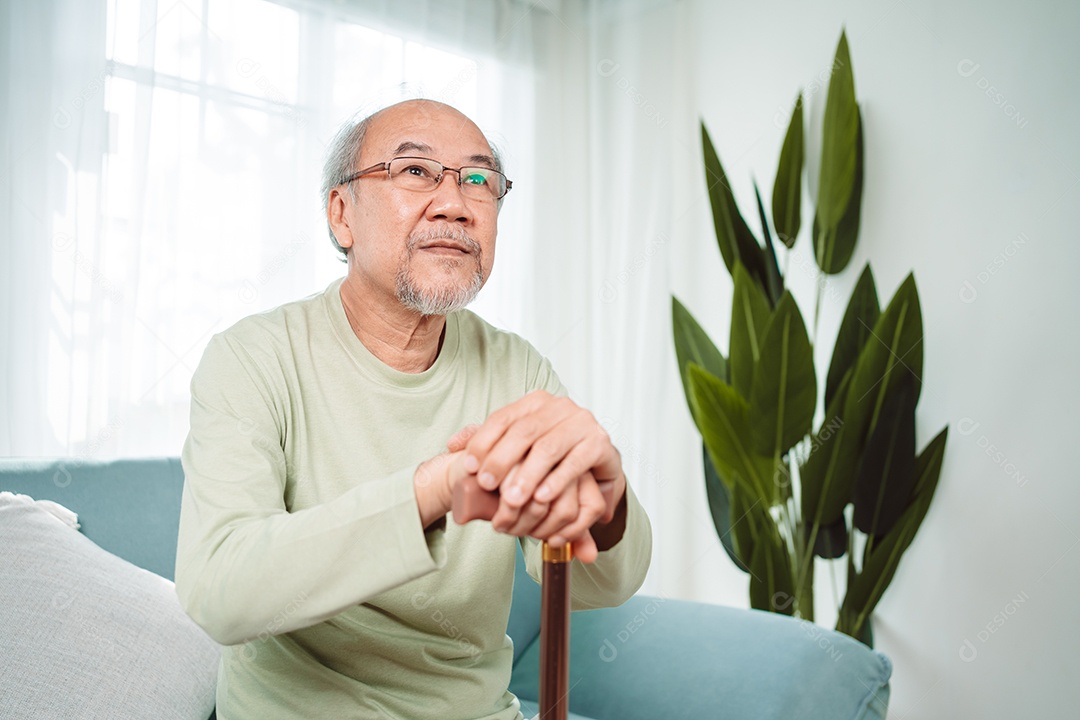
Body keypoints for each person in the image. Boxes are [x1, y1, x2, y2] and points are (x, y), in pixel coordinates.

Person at [175, 99, 652, 720]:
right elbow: (221, 591)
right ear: (341, 214)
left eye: (479, 180)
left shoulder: (519, 371)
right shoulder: (253, 357)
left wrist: (606, 500)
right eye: (415, 172)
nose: (455, 203)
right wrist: (434, 490)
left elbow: (594, 585)